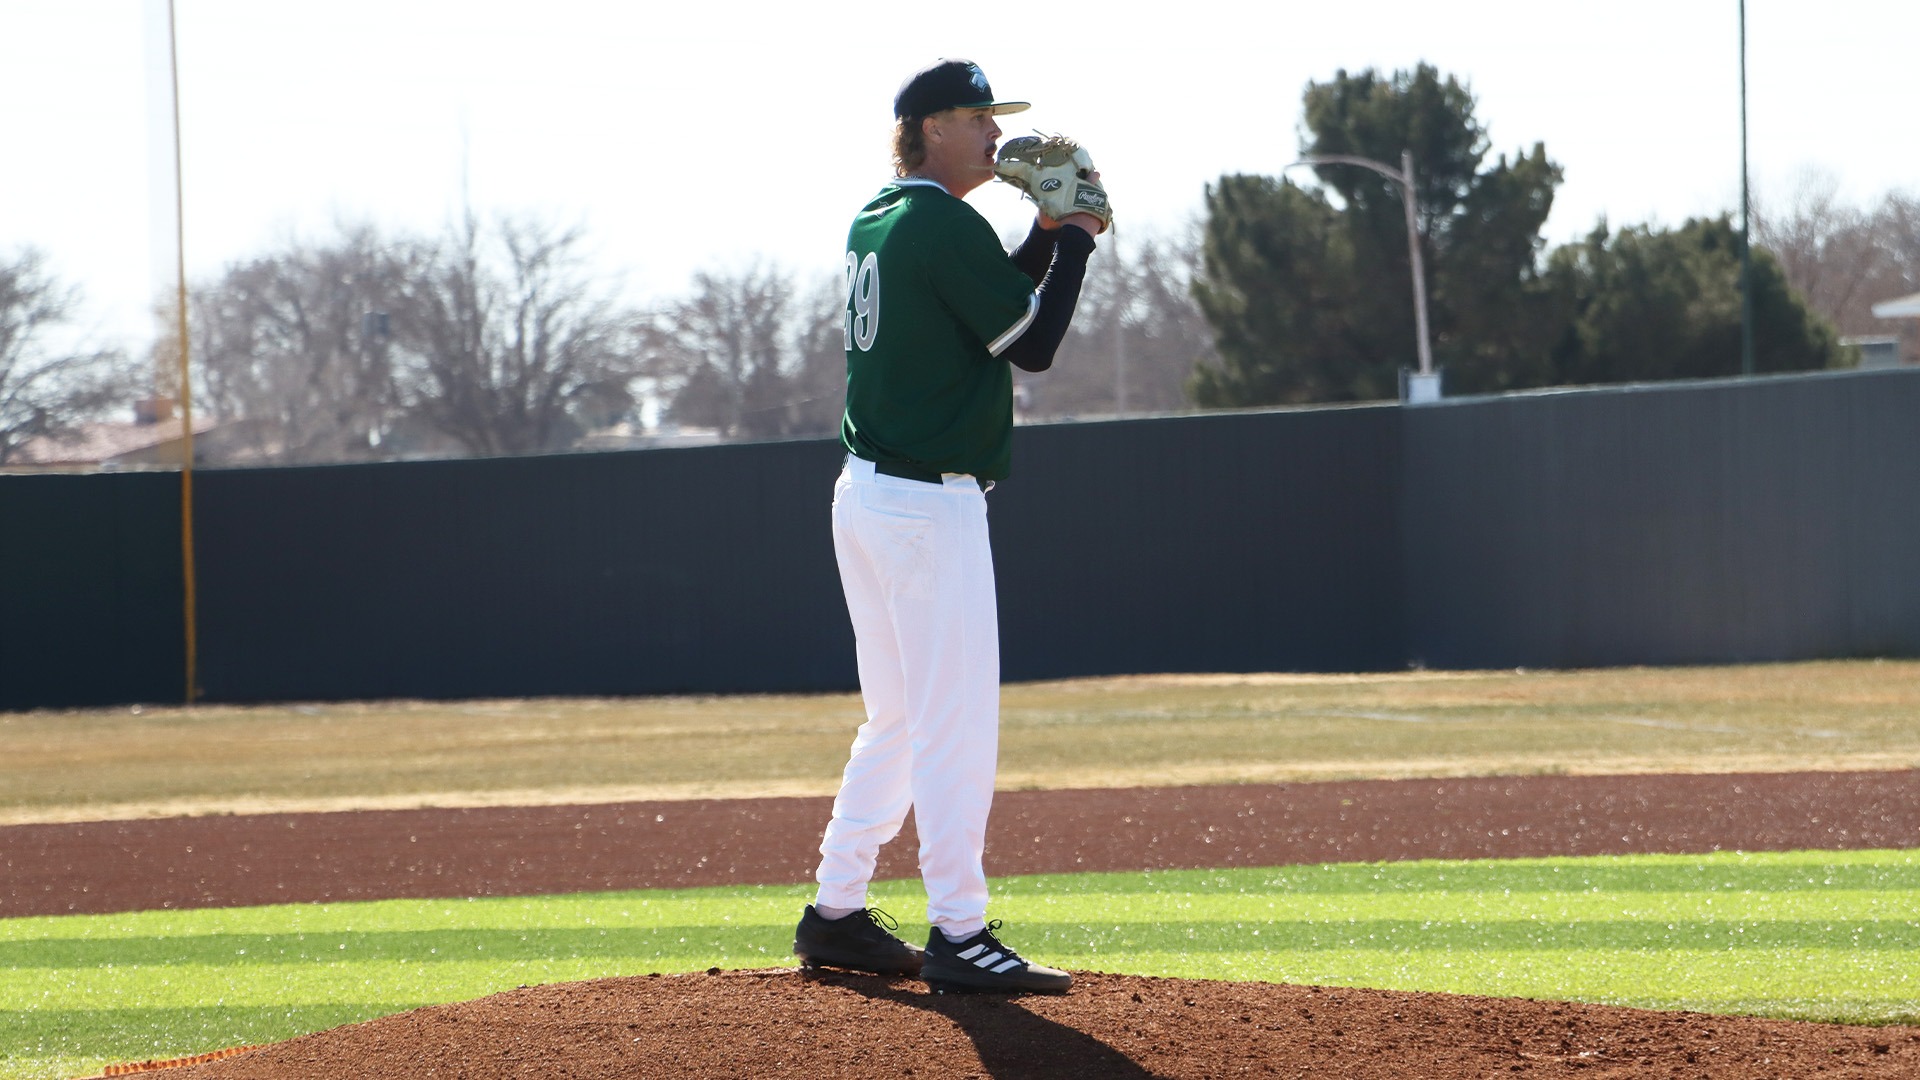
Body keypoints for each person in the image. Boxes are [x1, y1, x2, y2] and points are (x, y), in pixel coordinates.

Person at [791, 58, 1103, 995]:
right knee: (953, 724)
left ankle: (837, 908)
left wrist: (1043, 236)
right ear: (931, 129)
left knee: (897, 717)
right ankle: (960, 932)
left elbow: (987, 317)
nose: (995, 135)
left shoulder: (885, 216)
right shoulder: (941, 220)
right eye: (976, 118)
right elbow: (1035, 347)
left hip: (870, 493)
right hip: (928, 504)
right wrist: (1079, 238)